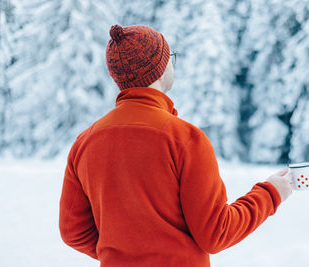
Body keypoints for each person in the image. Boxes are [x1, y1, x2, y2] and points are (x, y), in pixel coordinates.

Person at [59, 24, 295, 267]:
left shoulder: (85, 142)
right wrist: (271, 193)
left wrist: (125, 253)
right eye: (169, 57)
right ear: (160, 69)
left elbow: (72, 231)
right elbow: (217, 233)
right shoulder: (185, 139)